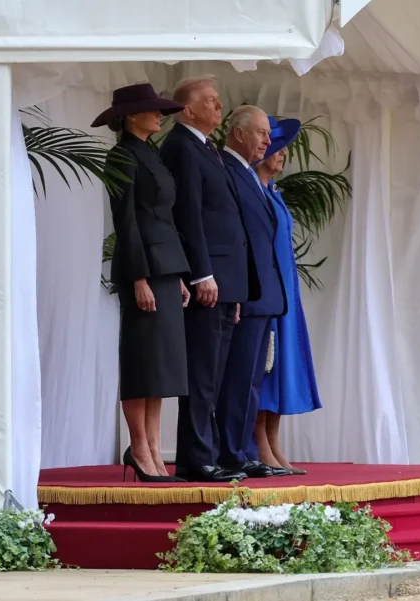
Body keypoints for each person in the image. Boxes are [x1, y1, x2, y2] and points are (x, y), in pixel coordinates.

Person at [92, 83, 191, 482]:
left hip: (166, 268)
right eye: (152, 111)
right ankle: (140, 448)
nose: (160, 116)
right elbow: (127, 221)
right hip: (143, 270)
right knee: (141, 363)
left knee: (160, 368)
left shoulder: (150, 153)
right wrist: (138, 277)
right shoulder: (122, 155)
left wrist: (179, 274)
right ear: (131, 116)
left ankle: (152, 447)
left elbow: (165, 218)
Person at [161, 77, 259, 482]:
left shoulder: (207, 148)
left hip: (225, 281)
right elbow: (190, 216)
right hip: (208, 278)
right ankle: (196, 457)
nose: (220, 108)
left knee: (214, 375)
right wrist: (202, 273)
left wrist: (234, 286)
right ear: (188, 110)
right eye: (211, 102)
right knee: (202, 374)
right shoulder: (181, 147)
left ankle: (210, 452)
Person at [216, 105, 285, 479]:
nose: (268, 141)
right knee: (237, 376)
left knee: (252, 379)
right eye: (261, 133)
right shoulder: (226, 169)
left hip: (263, 294)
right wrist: (237, 291)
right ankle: (230, 450)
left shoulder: (249, 174)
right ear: (239, 133)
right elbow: (233, 238)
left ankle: (243, 448)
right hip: (244, 293)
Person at [250, 116, 320, 475]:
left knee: (282, 367)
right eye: (276, 146)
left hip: (285, 291)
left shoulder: (274, 191)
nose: (283, 155)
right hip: (266, 289)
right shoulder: (253, 189)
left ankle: (274, 443)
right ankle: (259, 442)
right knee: (265, 367)